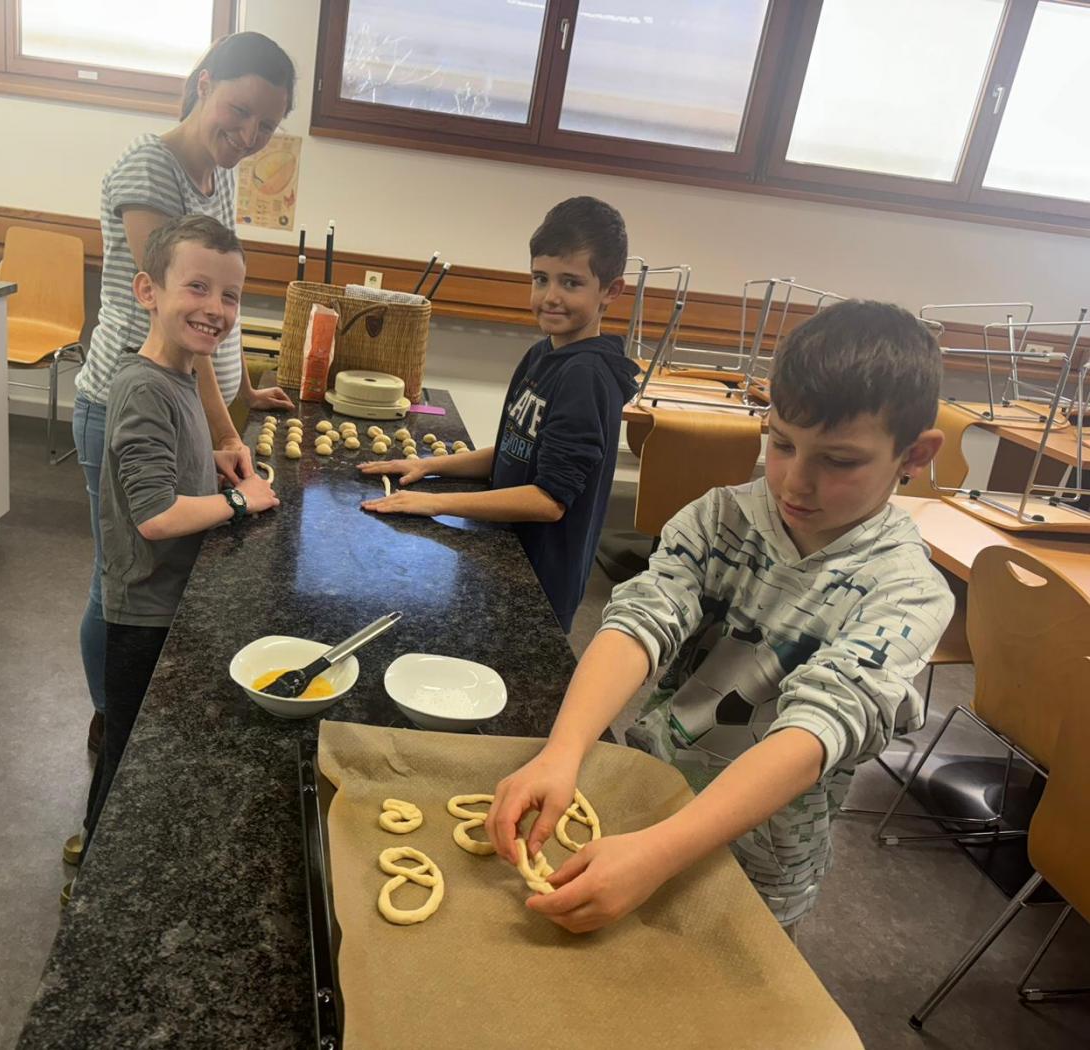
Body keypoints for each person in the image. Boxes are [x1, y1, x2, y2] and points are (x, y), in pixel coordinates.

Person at [485, 300, 955, 932]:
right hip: (643, 802)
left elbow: (818, 729)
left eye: (838, 461)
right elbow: (640, 623)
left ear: (915, 455)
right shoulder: (720, 518)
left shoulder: (907, 592)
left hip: (759, 864)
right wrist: (562, 754)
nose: (796, 483)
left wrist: (660, 854)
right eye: (782, 444)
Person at [72, 32, 297, 751]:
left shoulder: (216, 170)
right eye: (240, 111)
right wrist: (222, 429)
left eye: (268, 125)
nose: (250, 135)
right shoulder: (150, 170)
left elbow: (213, 304)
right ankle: (116, 725)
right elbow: (180, 319)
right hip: (126, 401)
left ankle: (135, 716)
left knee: (149, 576)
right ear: (202, 85)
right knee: (121, 583)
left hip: (195, 406)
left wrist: (238, 410)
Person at [69, 216, 278, 889]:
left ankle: (109, 850)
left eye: (231, 296)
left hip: (165, 603)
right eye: (197, 287)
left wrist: (215, 462)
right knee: (128, 752)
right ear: (148, 291)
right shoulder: (142, 388)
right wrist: (246, 501)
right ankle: (98, 877)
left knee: (143, 746)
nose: (215, 309)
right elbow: (156, 515)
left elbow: (169, 476)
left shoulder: (180, 375)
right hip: (143, 616)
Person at [359, 197, 640, 631]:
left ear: (611, 291)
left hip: (539, 583)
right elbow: (516, 450)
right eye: (540, 278)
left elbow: (548, 501)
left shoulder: (587, 376)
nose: (550, 297)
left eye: (571, 282)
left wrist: (434, 504)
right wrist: (429, 465)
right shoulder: (541, 355)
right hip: (503, 557)